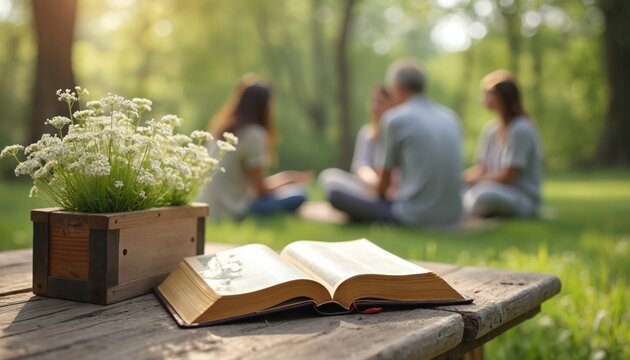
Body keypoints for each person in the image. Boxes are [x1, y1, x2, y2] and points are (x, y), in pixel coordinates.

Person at [325, 59, 464, 226]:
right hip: (454, 215)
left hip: (413, 215)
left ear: (396, 87)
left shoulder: (396, 120)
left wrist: (371, 192)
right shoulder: (451, 118)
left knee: (332, 185)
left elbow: (383, 187)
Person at [201, 75, 311, 220]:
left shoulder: (221, 129)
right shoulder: (254, 135)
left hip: (211, 208)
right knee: (300, 193)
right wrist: (286, 181)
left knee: (292, 191)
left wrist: (286, 178)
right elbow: (260, 191)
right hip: (235, 210)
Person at [463, 70, 542, 218]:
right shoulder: (490, 130)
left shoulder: (521, 129)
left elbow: (507, 177)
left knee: (482, 196)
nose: (483, 98)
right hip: (492, 189)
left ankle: (468, 208)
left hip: (520, 197)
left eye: (488, 94)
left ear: (503, 97)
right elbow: (481, 168)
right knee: (459, 189)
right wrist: (461, 179)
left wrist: (476, 182)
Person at [319, 85, 394, 203]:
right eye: (374, 102)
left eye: (381, 102)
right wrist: (376, 184)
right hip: (369, 189)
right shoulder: (367, 133)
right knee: (329, 177)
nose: (375, 107)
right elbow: (361, 166)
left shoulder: (397, 135)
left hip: (393, 193)